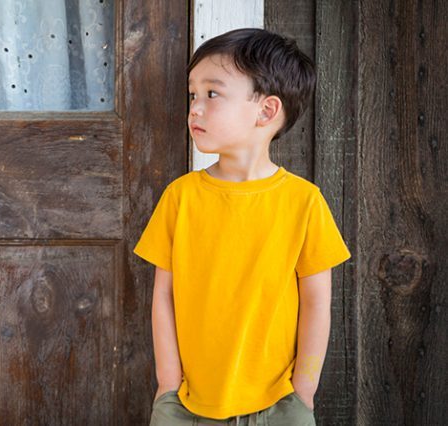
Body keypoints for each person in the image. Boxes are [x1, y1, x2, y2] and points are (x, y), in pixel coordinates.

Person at [135, 28, 351, 425]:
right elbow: (162, 296)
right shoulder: (180, 198)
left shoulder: (304, 202)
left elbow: (318, 302)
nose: (194, 108)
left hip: (280, 404)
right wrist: (168, 383)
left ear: (266, 111)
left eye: (211, 94)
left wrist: (304, 390)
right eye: (192, 95)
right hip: (185, 403)